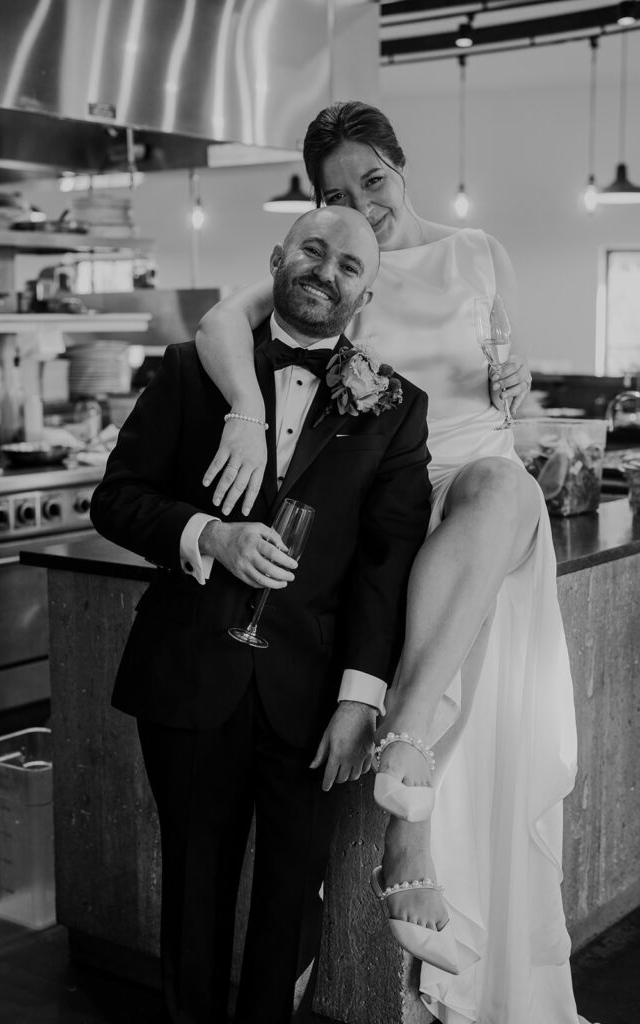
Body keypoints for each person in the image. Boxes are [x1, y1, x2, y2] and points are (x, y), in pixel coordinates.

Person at [194, 102, 593, 1023]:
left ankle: (403, 754)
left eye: (371, 181)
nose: (358, 206)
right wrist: (245, 414)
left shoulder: (479, 250)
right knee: (419, 554)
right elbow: (220, 326)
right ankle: (406, 836)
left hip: (483, 486)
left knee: (497, 486)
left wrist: (515, 374)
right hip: (391, 494)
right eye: (334, 193)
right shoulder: (336, 265)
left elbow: (508, 368)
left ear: (399, 168)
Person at [90, 204, 433, 1024]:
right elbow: (117, 501)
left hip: (312, 696)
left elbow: (384, 571)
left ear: (365, 293)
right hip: (188, 673)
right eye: (311, 251)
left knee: (289, 898)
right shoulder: (187, 370)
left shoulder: (394, 408)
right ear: (277, 258)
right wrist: (208, 534)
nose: (326, 271)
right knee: (194, 888)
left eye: (349, 265)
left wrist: (360, 701)